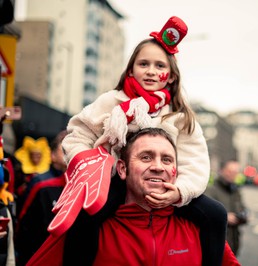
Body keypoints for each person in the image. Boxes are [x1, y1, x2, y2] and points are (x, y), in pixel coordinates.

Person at [54, 16, 227, 265]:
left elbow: (196, 165)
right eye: (143, 63)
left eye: (159, 66)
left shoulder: (181, 117)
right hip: (115, 184)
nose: (151, 71)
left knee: (216, 213)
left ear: (170, 77)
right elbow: (78, 135)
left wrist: (179, 192)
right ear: (131, 69)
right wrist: (93, 168)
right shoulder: (110, 102)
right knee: (85, 215)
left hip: (166, 188)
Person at [27, 128, 239, 265]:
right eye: (145, 157)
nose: (157, 166)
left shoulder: (202, 227)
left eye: (166, 160)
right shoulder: (91, 227)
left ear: (176, 170)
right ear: (122, 169)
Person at [15, 130, 67, 266]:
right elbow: (23, 224)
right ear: (52, 155)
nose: (70, 153)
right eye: (65, 148)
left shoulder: (81, 184)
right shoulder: (41, 184)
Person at [205, 160, 248, 256]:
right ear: (221, 170)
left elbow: (243, 210)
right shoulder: (210, 189)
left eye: (236, 172)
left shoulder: (235, 191)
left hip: (233, 243)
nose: (233, 175)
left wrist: (242, 216)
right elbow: (203, 214)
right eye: (230, 171)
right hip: (216, 245)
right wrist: (224, 217)